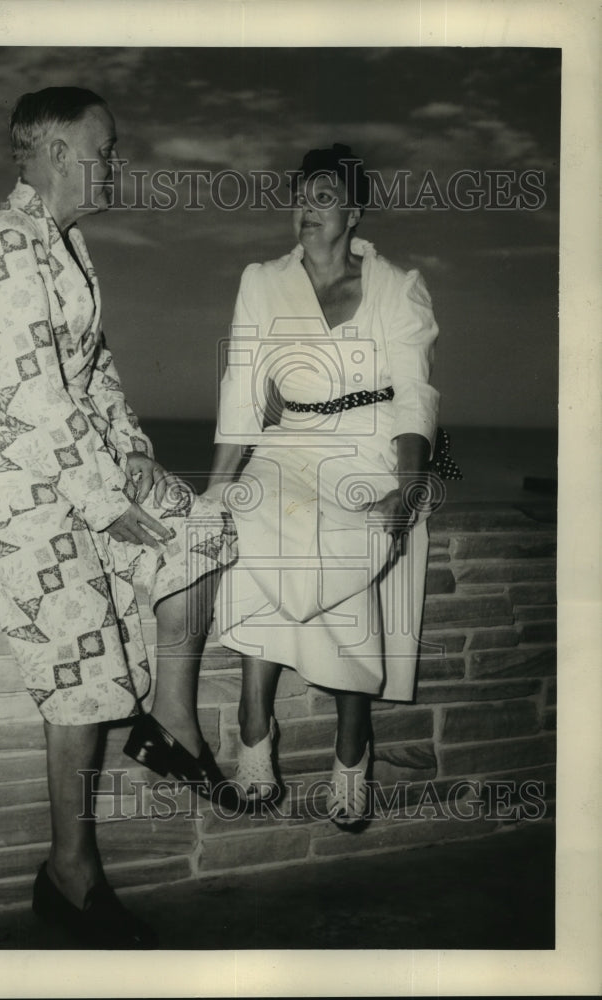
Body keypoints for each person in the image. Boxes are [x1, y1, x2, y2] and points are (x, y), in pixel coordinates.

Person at [0, 87, 236, 948]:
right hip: (3, 469)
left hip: (73, 458)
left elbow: (92, 373)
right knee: (80, 656)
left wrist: (133, 454)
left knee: (196, 528)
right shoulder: (3, 241)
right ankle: (68, 873)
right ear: (56, 150)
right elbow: (30, 394)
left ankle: (170, 719)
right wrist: (103, 504)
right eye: (105, 149)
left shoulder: (68, 247)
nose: (116, 163)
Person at [209, 144, 441, 829]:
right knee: (253, 520)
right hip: (288, 446)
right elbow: (241, 391)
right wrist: (216, 490)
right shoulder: (262, 279)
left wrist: (406, 486)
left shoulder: (399, 285)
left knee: (349, 539)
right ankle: (255, 727)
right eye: (298, 198)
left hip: (366, 447)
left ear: (353, 211)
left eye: (320, 197)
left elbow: (415, 396)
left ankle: (351, 746)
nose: (304, 210)